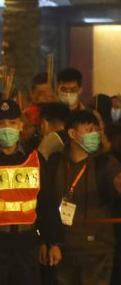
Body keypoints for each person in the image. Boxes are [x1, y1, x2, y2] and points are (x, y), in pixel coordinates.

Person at [0, 98, 62, 285]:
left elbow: (46, 203)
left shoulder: (34, 159)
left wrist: (52, 242)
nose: (6, 128)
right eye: (0, 124)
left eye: (11, 123)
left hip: (27, 244)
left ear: (20, 125)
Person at [48, 110, 121, 285]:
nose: (94, 135)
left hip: (97, 250)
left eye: (97, 130)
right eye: (89, 130)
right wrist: (51, 241)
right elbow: (47, 204)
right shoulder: (56, 162)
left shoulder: (106, 163)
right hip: (64, 249)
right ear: (72, 134)